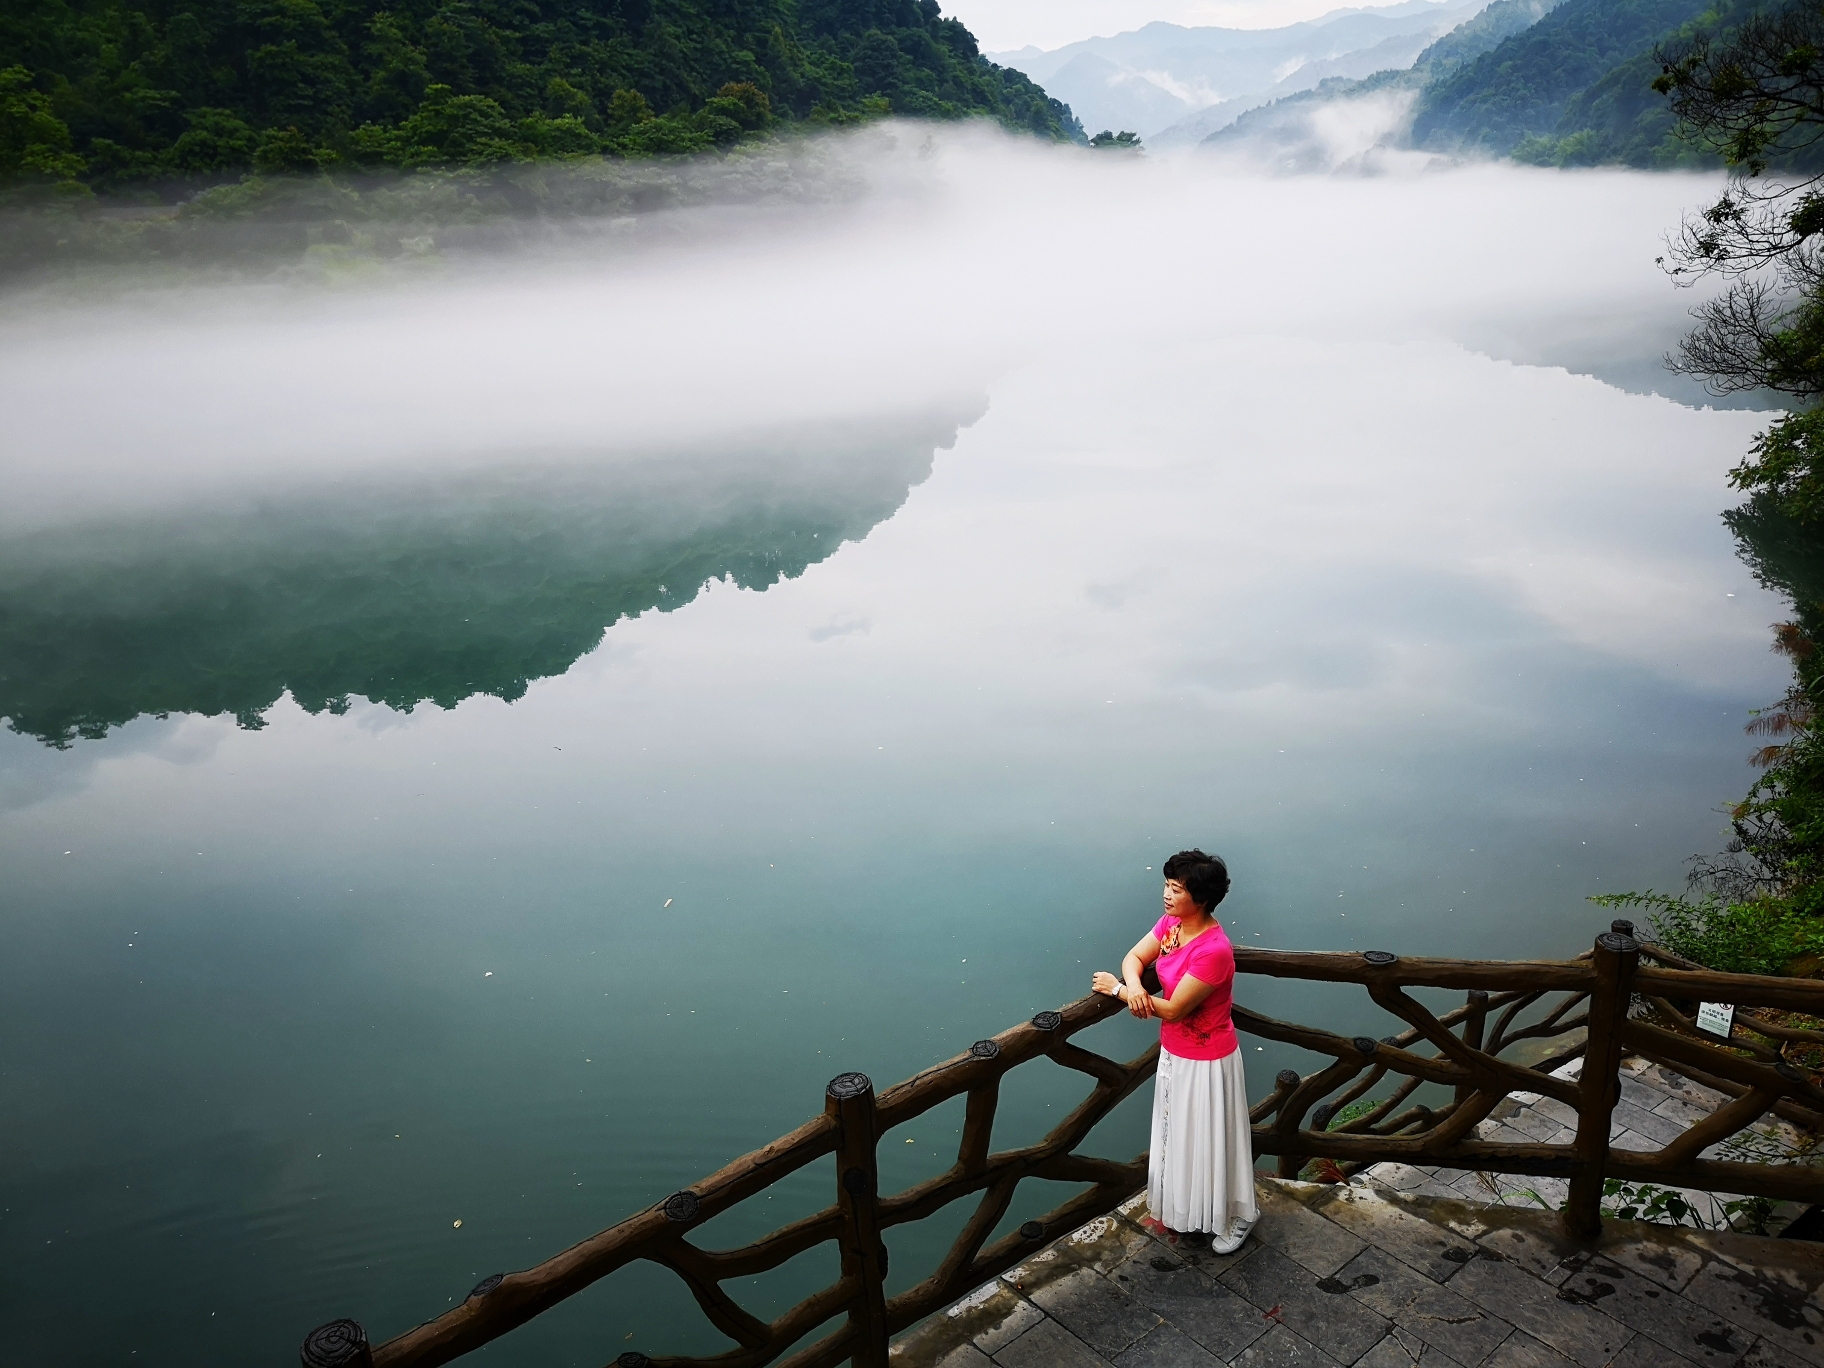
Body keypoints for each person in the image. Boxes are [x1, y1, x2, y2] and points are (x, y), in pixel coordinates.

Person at [1091, 849, 1258, 1253]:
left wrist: (1116, 990)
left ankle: (1240, 1214)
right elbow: (1134, 957)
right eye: (1167, 884)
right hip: (1176, 1053)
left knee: (1216, 1137)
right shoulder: (1172, 925)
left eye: (1176, 888)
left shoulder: (1213, 950)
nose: (1167, 894)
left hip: (1209, 1059)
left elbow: (1173, 1009)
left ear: (1200, 898)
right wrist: (1132, 987)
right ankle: (1193, 1211)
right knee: (1181, 1135)